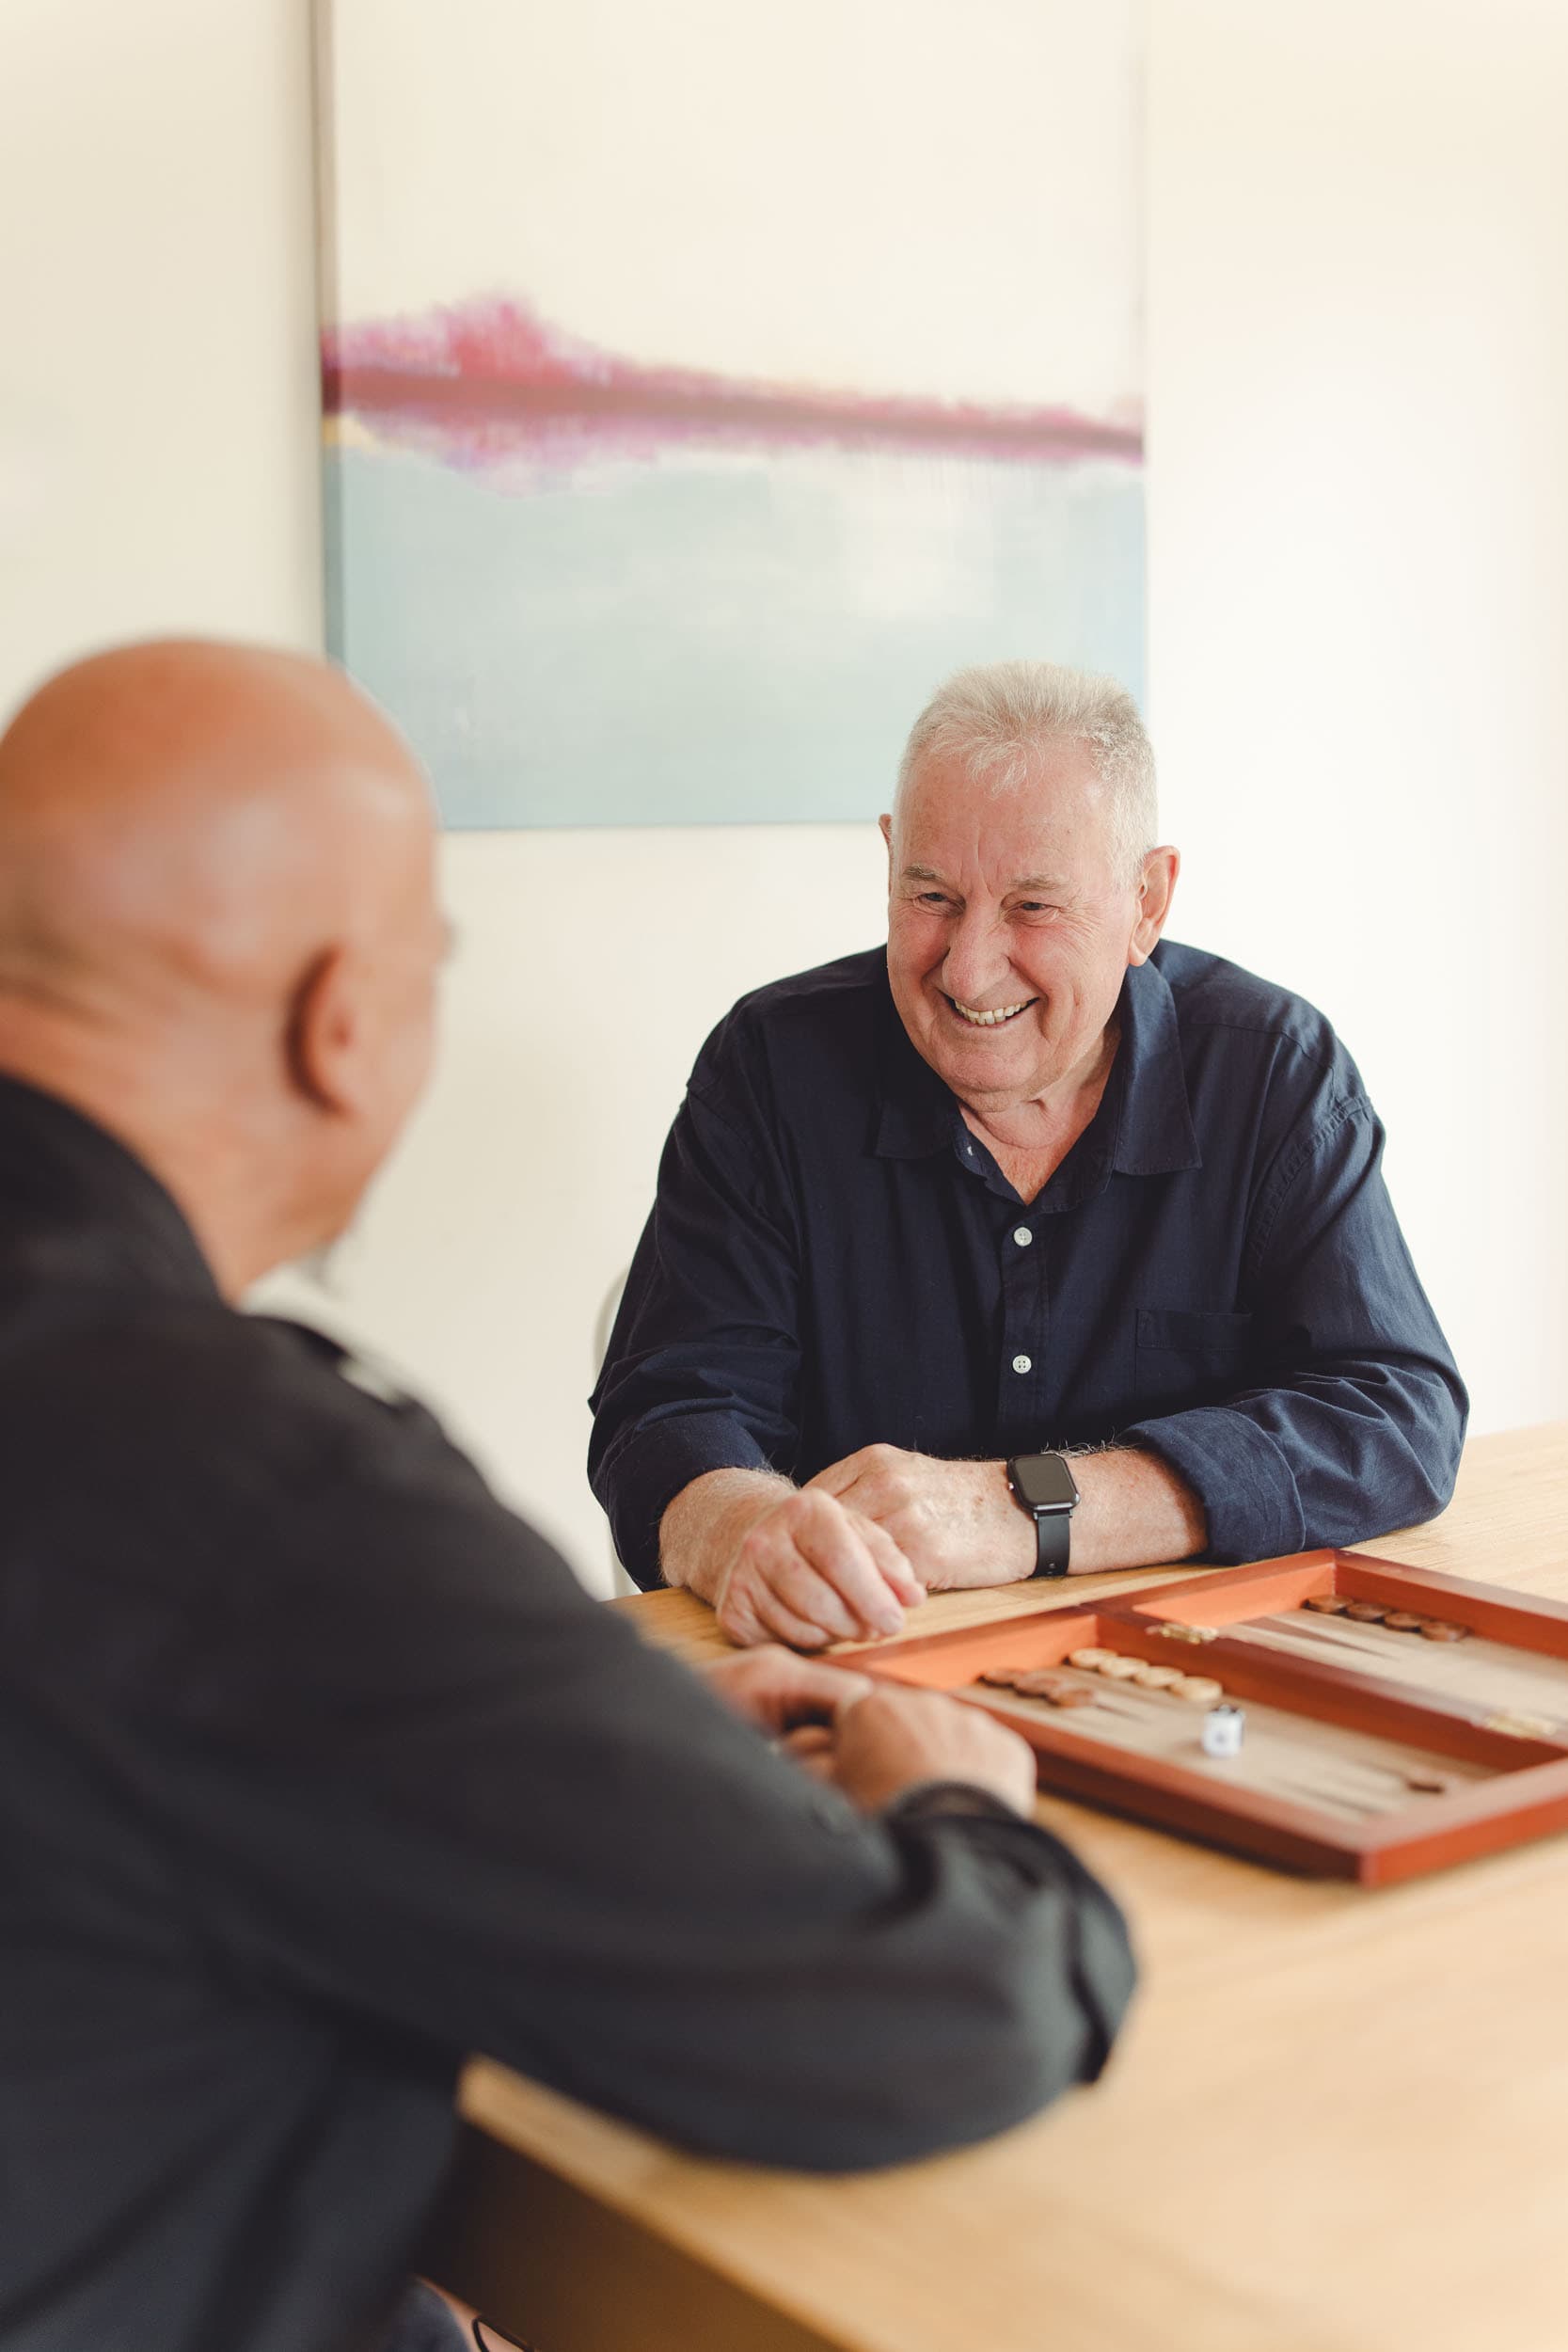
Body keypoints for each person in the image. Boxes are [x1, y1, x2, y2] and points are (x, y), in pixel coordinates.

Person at [0, 641, 1134, 2352]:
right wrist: (967, 1810)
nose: (970, 960)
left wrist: (574, 1737)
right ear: (346, 1025)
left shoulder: (1279, 1066)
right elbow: (928, 2020)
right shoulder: (261, 1499)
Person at [591, 660, 1466, 1649]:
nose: (967, 966)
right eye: (930, 895)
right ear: (887, 861)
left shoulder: (1270, 1073)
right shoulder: (769, 1070)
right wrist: (743, 1531)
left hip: (1185, 1675)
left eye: (1031, 907)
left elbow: (1395, 1419)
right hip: (851, 1675)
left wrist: (1022, 1510)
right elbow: (664, 1411)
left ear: (1145, 901)